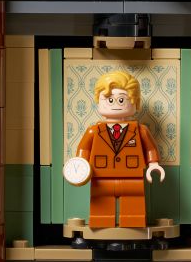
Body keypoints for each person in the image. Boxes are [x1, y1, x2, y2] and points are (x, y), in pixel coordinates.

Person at [63, 69, 164, 229]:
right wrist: (80, 165)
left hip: (132, 176)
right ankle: (101, 224)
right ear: (98, 101)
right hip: (101, 177)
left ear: (135, 102)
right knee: (101, 204)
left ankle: (133, 224)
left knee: (134, 203)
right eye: (109, 100)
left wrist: (153, 164)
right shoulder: (93, 131)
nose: (115, 104)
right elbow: (84, 149)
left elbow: (150, 149)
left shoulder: (140, 131)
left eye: (122, 100)